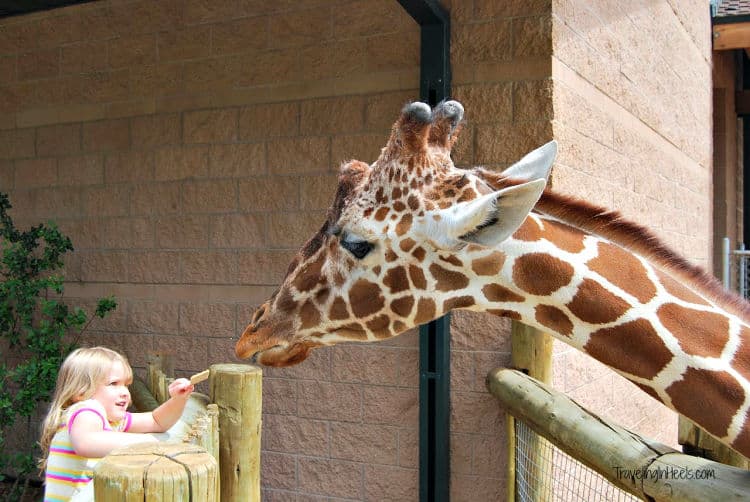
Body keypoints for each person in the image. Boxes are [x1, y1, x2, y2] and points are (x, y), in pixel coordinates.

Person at [39, 347, 194, 501]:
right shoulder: (86, 410)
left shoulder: (112, 420)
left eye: (126, 384)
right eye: (114, 384)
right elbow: (86, 443)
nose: (125, 392)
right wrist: (149, 444)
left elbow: (157, 421)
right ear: (81, 391)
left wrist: (178, 400)